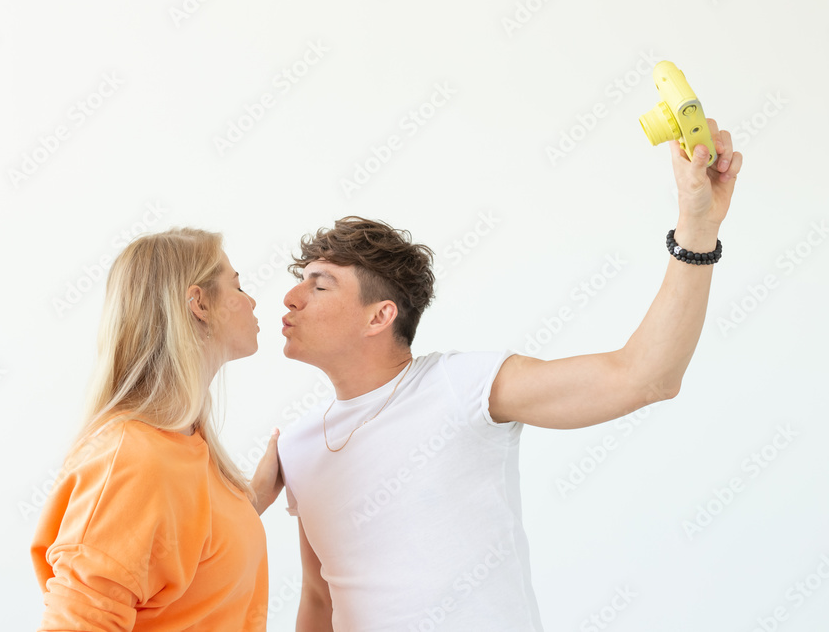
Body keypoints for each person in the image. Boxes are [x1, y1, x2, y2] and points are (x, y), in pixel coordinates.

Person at [276, 123, 743, 630]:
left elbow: (643, 377)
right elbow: (319, 600)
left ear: (379, 316)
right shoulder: (297, 444)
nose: (290, 299)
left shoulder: (462, 385)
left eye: (318, 286)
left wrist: (697, 229)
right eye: (299, 282)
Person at [31, 228, 283, 631]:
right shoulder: (133, 460)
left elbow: (184, 568)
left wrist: (251, 501)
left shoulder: (184, 444)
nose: (251, 300)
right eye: (237, 285)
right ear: (198, 302)